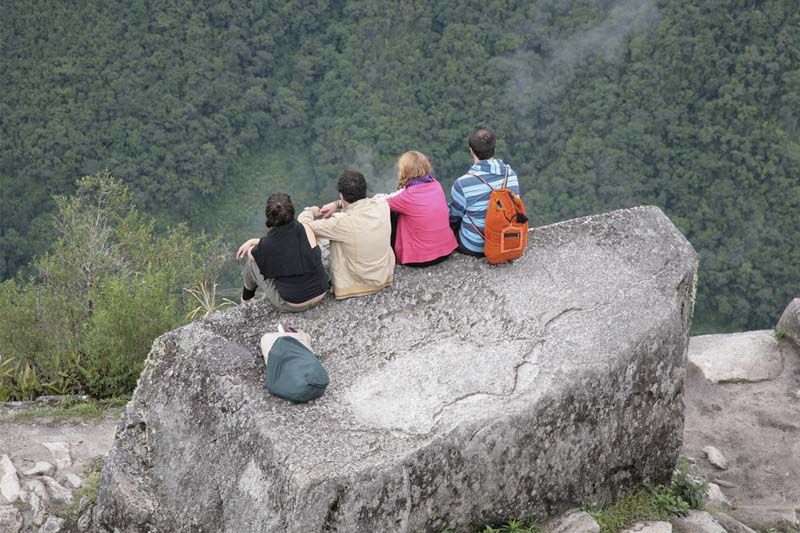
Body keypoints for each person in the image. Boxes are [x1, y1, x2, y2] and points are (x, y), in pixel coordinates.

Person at [299, 170, 395, 299]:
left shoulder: (341, 222)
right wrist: (337, 204)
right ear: (365, 189)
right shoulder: (382, 205)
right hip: (385, 276)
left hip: (356, 285)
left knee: (321, 240)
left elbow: (302, 228)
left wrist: (310, 211)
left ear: (341, 194)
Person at [236, 193, 330, 311]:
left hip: (294, 303)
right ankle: (246, 300)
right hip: (321, 292)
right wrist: (257, 241)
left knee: (251, 264)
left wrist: (253, 243)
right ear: (292, 211)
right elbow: (290, 246)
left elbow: (251, 255)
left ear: (269, 216)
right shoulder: (305, 228)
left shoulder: (268, 245)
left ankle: (246, 300)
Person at [448, 127, 520, 257]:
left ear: (471, 151)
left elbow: (453, 218)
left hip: (474, 246)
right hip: (505, 240)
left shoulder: (462, 184)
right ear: (494, 148)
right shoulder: (511, 174)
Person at [383, 151, 456, 266]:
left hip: (419, 259)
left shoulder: (407, 197)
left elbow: (379, 203)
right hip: (445, 251)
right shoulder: (436, 185)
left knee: (390, 213)